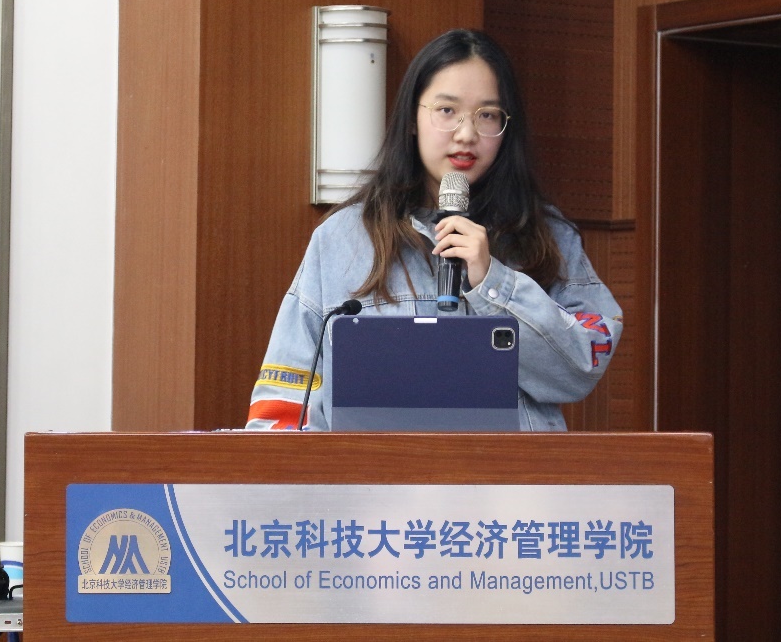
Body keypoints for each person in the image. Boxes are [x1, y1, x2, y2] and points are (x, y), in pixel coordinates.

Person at [245, 29, 621, 431]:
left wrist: (494, 284)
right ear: (412, 117)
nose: (467, 134)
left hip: (509, 470)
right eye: (446, 110)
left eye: (488, 115)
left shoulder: (546, 235)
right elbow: (285, 401)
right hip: (379, 470)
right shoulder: (342, 238)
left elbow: (582, 367)